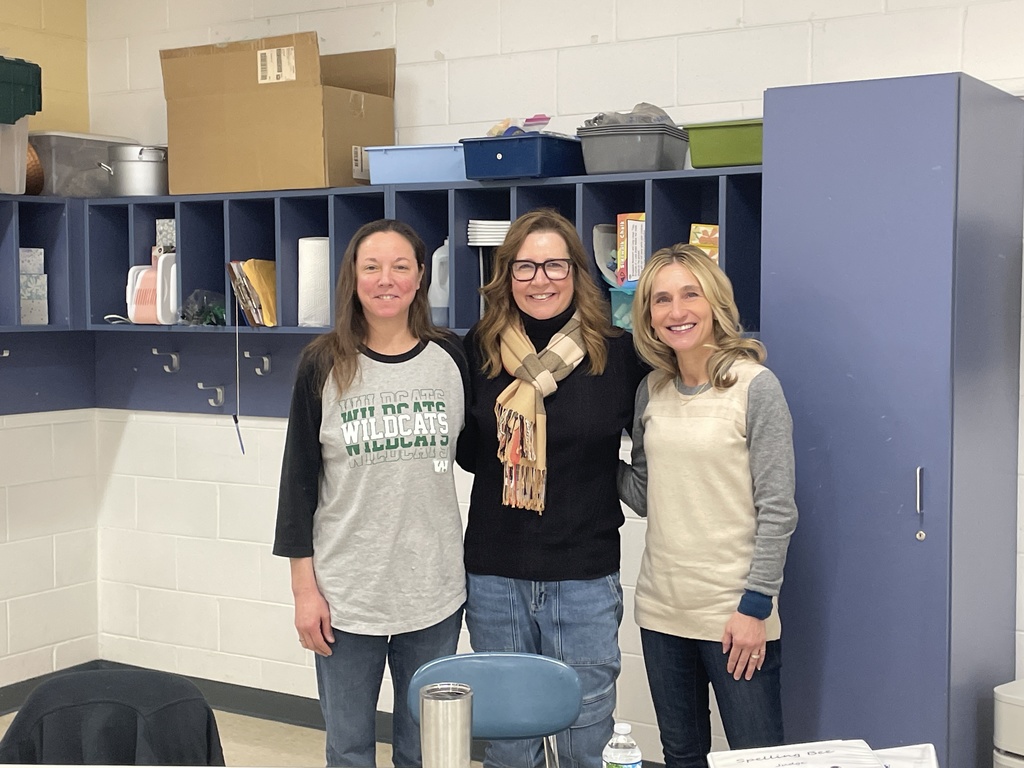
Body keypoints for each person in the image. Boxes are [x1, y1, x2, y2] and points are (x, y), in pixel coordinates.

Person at [273, 219, 469, 768]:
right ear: (352, 279)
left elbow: (480, 453)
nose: (387, 279)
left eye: (401, 266)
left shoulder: (450, 357)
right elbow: (297, 487)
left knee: (424, 747)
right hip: (346, 597)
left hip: (433, 593)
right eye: (372, 267)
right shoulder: (323, 362)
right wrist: (303, 591)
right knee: (350, 746)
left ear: (420, 277)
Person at [456, 208, 647, 768]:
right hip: (495, 569)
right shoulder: (480, 349)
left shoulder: (618, 354)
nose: (540, 279)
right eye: (525, 266)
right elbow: (466, 449)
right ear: (505, 275)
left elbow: (652, 445)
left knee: (585, 732)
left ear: (577, 273)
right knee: (509, 738)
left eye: (555, 265)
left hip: (584, 572)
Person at [617, 244, 798, 768]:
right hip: (661, 611)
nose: (677, 312)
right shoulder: (651, 390)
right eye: (661, 299)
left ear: (714, 302)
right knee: (681, 755)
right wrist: (586, 454)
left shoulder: (755, 387)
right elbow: (647, 495)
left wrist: (755, 607)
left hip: (734, 616)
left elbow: (778, 509)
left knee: (757, 758)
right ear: (648, 316)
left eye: (689, 295)